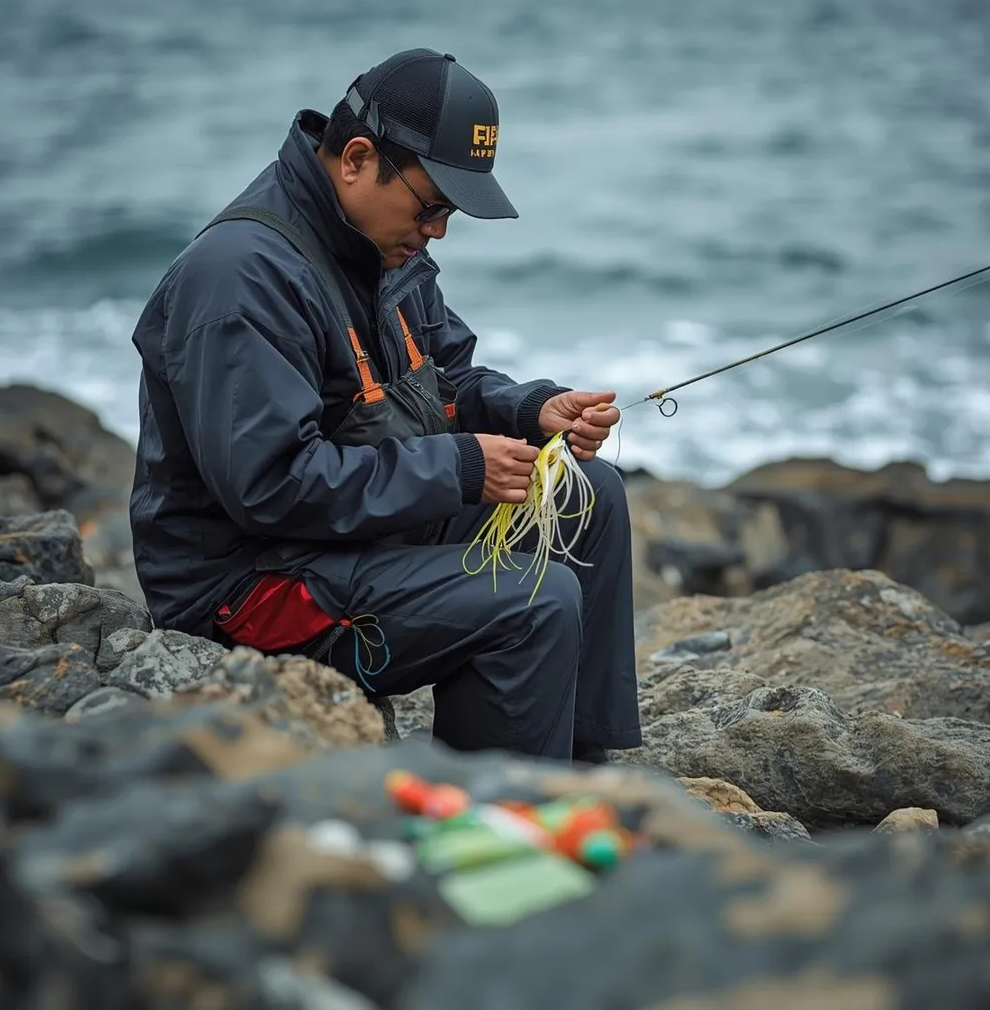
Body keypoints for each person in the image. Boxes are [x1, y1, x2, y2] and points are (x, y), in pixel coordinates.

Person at [129, 48, 642, 763]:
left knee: (590, 496)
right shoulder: (239, 278)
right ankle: (495, 817)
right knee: (532, 597)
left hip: (342, 540)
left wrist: (532, 410)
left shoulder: (383, 249)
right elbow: (269, 486)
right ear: (357, 159)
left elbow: (450, 380)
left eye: (449, 213)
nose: (438, 231)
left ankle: (581, 775)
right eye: (431, 205)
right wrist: (462, 470)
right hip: (247, 590)